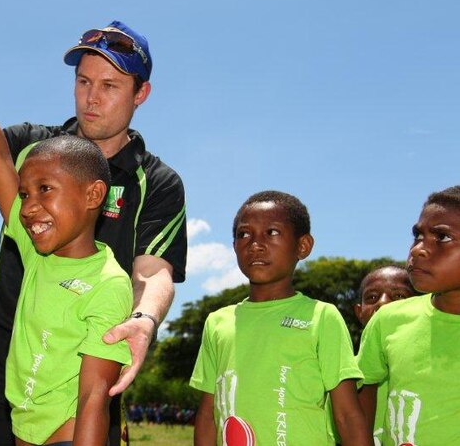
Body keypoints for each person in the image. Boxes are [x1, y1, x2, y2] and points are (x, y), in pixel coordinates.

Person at [0, 0, 187, 446]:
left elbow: (153, 270)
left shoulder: (157, 181)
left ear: (140, 93)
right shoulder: (34, 146)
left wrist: (142, 318)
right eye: (83, 81)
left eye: (109, 85)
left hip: (83, 357)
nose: (91, 97)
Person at [0, 13, 133, 445]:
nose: (29, 208)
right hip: (20, 433)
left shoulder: (109, 285)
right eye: (25, 194)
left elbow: (93, 399)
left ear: (93, 196)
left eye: (45, 190)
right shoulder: (35, 253)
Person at [190, 191, 370, 445]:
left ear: (302, 246)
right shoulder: (218, 322)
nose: (255, 244)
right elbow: (209, 414)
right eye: (244, 234)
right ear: (234, 247)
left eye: (272, 232)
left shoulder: (321, 316)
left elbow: (347, 415)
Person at [357, 186, 460, 444]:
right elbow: (363, 387)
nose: (417, 250)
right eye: (418, 236)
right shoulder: (389, 319)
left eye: (442, 238)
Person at [352, 266, 416, 443]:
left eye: (399, 296)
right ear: (359, 312)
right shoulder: (344, 374)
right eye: (372, 297)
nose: (383, 303)